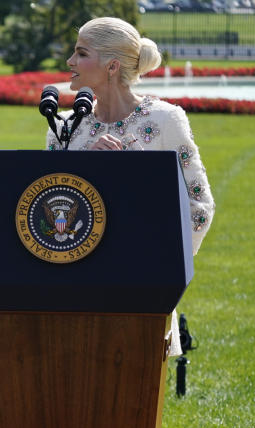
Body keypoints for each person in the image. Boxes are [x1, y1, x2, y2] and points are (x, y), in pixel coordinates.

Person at [47, 16, 215, 356]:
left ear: (111, 66)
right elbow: (48, 214)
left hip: (144, 297)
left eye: (81, 53)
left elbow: (199, 210)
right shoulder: (63, 130)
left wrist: (140, 177)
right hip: (70, 299)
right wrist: (84, 168)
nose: (70, 62)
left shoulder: (165, 121)